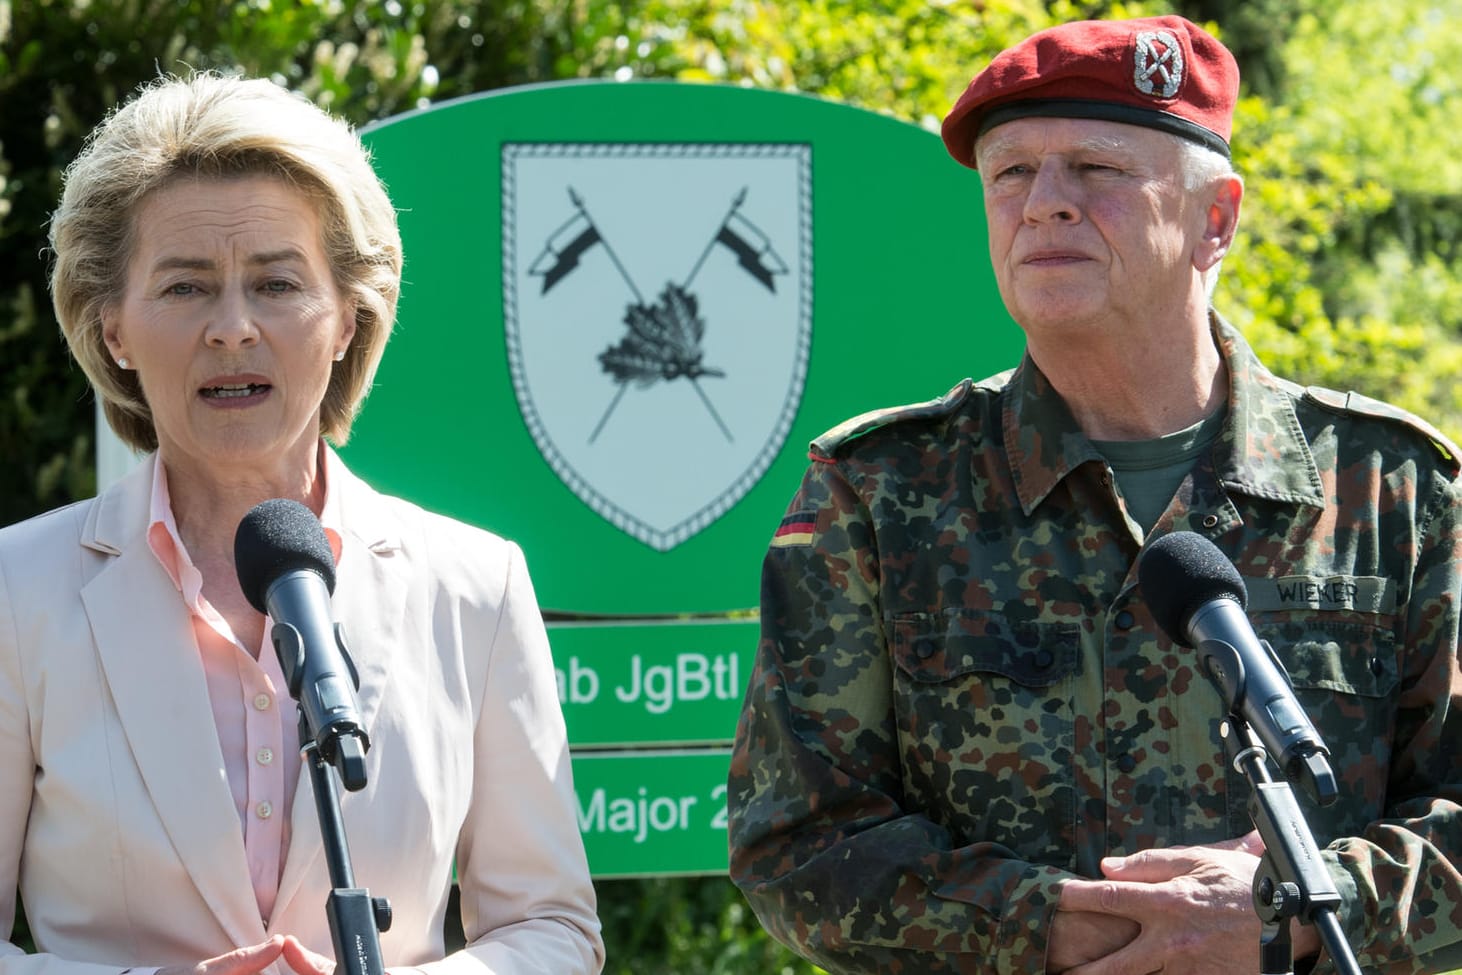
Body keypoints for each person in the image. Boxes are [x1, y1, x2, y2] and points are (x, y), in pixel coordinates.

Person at [727, 15, 1461, 975]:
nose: (1045, 205)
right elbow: (796, 842)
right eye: (1011, 175)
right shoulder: (878, 492)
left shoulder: (1392, 489)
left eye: (1098, 170)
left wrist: (1298, 909)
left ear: (1218, 219)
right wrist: (1057, 921)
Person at [0, 73, 603, 975]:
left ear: (348, 320)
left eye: (278, 283)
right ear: (112, 326)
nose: (233, 328)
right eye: (185, 287)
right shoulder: (17, 590)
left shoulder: (475, 586)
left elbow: (553, 929)